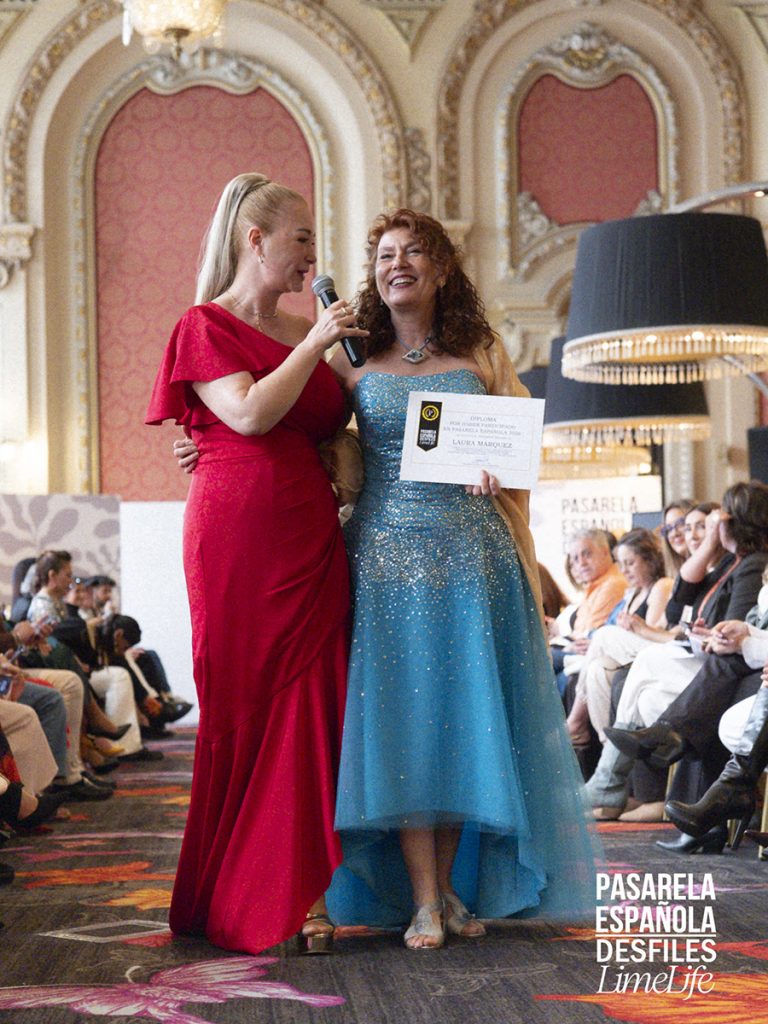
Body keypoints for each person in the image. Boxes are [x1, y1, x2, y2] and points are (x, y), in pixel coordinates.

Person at [320, 210, 599, 948]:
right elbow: (309, 440)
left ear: (443, 268)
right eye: (385, 254)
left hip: (474, 558)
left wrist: (497, 470)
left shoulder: (481, 350)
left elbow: (518, 448)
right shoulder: (349, 357)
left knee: (460, 725)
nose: (398, 263)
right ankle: (424, 898)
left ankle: (443, 890)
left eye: (415, 251)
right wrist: (208, 445)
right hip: (383, 562)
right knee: (406, 728)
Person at [146, 172, 366, 955]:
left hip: (312, 534)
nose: (312, 255)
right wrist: (314, 344)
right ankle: (247, 887)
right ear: (255, 239)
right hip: (237, 539)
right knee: (246, 706)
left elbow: (332, 419)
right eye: (301, 239)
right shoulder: (203, 324)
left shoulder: (303, 332)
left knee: (314, 704)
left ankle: (305, 890)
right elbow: (246, 413)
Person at [586, 483, 768, 819]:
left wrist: (717, 635)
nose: (705, 529)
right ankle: (632, 786)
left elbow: (737, 627)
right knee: (642, 693)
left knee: (637, 660)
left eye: (714, 520)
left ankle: (617, 780)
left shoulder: (752, 563)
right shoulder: (730, 563)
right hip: (714, 659)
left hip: (734, 667)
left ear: (734, 521)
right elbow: (680, 604)